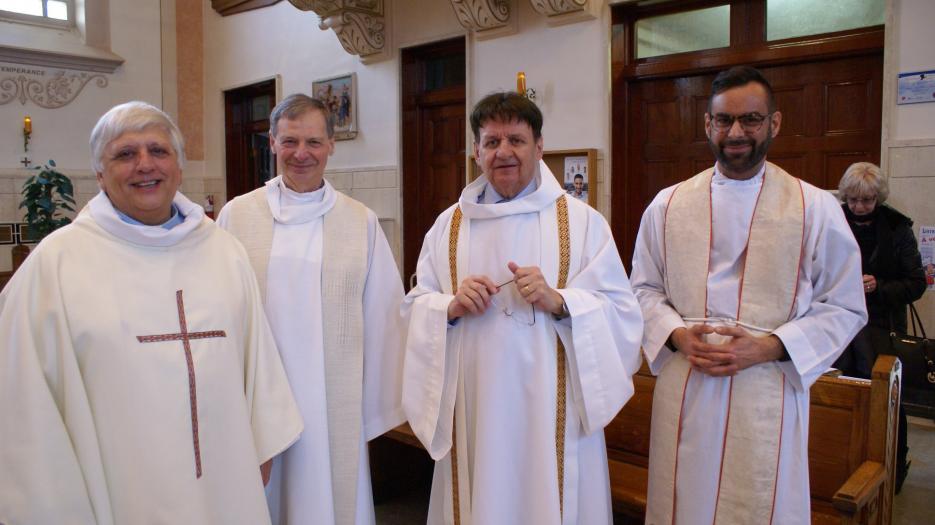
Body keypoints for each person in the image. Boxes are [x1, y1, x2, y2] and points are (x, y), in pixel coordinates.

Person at [0, 101, 303, 524]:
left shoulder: (222, 251)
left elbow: (258, 365)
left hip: (224, 483)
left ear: (178, 166)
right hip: (117, 491)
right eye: (125, 154)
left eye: (158, 151)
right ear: (100, 174)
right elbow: (23, 400)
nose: (145, 165)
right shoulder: (57, 264)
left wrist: (261, 443)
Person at [630, 66, 867, 525]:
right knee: (684, 505)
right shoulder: (667, 204)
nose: (736, 132)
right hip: (688, 387)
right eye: (724, 121)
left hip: (769, 388)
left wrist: (771, 346)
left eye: (751, 120)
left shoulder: (814, 207)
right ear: (707, 125)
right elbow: (641, 288)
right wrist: (677, 334)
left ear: (773, 123)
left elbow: (844, 303)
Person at [402, 91, 643, 525]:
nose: (504, 152)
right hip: (474, 412)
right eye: (492, 142)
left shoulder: (581, 222)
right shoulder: (449, 227)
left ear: (539, 146)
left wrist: (562, 301)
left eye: (515, 139)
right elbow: (416, 307)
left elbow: (624, 314)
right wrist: (450, 307)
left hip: (555, 413)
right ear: (476, 152)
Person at [217, 94, 406, 525]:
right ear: (272, 143)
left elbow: (383, 315)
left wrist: (371, 403)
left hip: (331, 398)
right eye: (290, 141)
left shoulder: (360, 222)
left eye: (314, 142)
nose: (301, 154)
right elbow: (219, 310)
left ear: (331, 146)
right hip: (258, 392)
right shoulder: (237, 215)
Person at [833, 161, 925, 492]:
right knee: (841, 394)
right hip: (838, 322)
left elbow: (916, 283)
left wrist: (879, 286)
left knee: (886, 398)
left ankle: (892, 468)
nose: (860, 207)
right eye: (854, 200)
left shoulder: (898, 227)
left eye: (868, 200)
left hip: (882, 325)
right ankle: (840, 463)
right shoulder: (832, 221)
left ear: (879, 198)